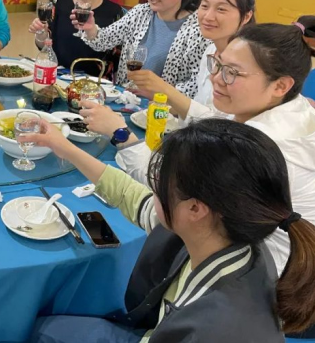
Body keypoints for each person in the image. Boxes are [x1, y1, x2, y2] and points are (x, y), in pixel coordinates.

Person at [23, 118, 315, 342]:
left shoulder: (216, 327)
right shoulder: (225, 233)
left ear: (195, 209)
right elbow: (131, 196)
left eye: (159, 182)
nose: (153, 189)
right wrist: (64, 147)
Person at [83, 23, 315, 276]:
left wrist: (120, 133)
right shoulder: (293, 107)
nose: (215, 78)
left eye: (232, 73)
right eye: (217, 64)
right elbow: (215, 118)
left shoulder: (257, 148)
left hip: (251, 277)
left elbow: (167, 188)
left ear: (280, 86)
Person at [75, 0, 209, 97]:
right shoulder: (141, 12)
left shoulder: (198, 29)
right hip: (125, 99)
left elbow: (195, 85)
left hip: (163, 107)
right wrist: (90, 28)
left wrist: (156, 93)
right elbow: (104, 41)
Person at [125, 0, 255, 113]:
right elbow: (199, 104)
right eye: (204, 6)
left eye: (221, 9)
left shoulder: (247, 64)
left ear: (246, 16)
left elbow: (222, 119)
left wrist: (164, 89)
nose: (208, 16)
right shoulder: (210, 51)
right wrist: (161, 101)